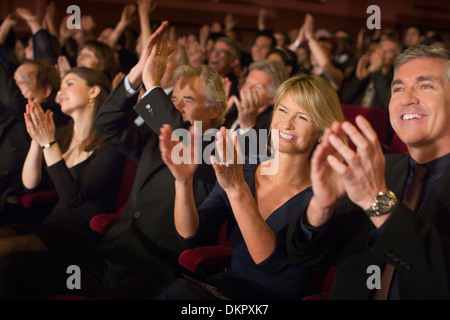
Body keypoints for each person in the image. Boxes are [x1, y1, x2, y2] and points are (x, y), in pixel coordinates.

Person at [0, 21, 225, 299]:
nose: (175, 105)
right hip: (107, 253)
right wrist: (137, 74)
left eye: (186, 100)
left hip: (151, 271)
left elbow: (185, 142)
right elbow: (107, 123)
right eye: (173, 98)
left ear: (215, 109)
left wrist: (154, 85)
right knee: (10, 268)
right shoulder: (151, 141)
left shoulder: (218, 148)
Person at [155, 73, 345, 300]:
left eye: (302, 117)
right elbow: (191, 236)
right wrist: (183, 181)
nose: (286, 123)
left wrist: (237, 190)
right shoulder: (244, 168)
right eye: (282, 110)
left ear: (323, 132)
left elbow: (269, 263)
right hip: (226, 288)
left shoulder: (323, 196)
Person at [287, 45, 450, 299]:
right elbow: (305, 258)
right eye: (397, 88)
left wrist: (378, 203)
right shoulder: (374, 168)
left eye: (425, 86)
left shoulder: (371, 184)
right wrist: (321, 206)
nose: (406, 99)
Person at [0, 67, 126, 257]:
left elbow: (73, 197)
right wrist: (37, 138)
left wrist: (48, 143)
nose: (60, 91)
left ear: (93, 91)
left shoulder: (109, 143)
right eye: (60, 86)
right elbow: (29, 184)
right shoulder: (62, 133)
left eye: (69, 84)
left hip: (81, 235)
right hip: (51, 223)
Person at [0, 59, 69, 220]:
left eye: (21, 83)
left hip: (17, 191)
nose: (14, 87)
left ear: (45, 90)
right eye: (13, 81)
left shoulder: (51, 114)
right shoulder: (9, 112)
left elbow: (12, 98)